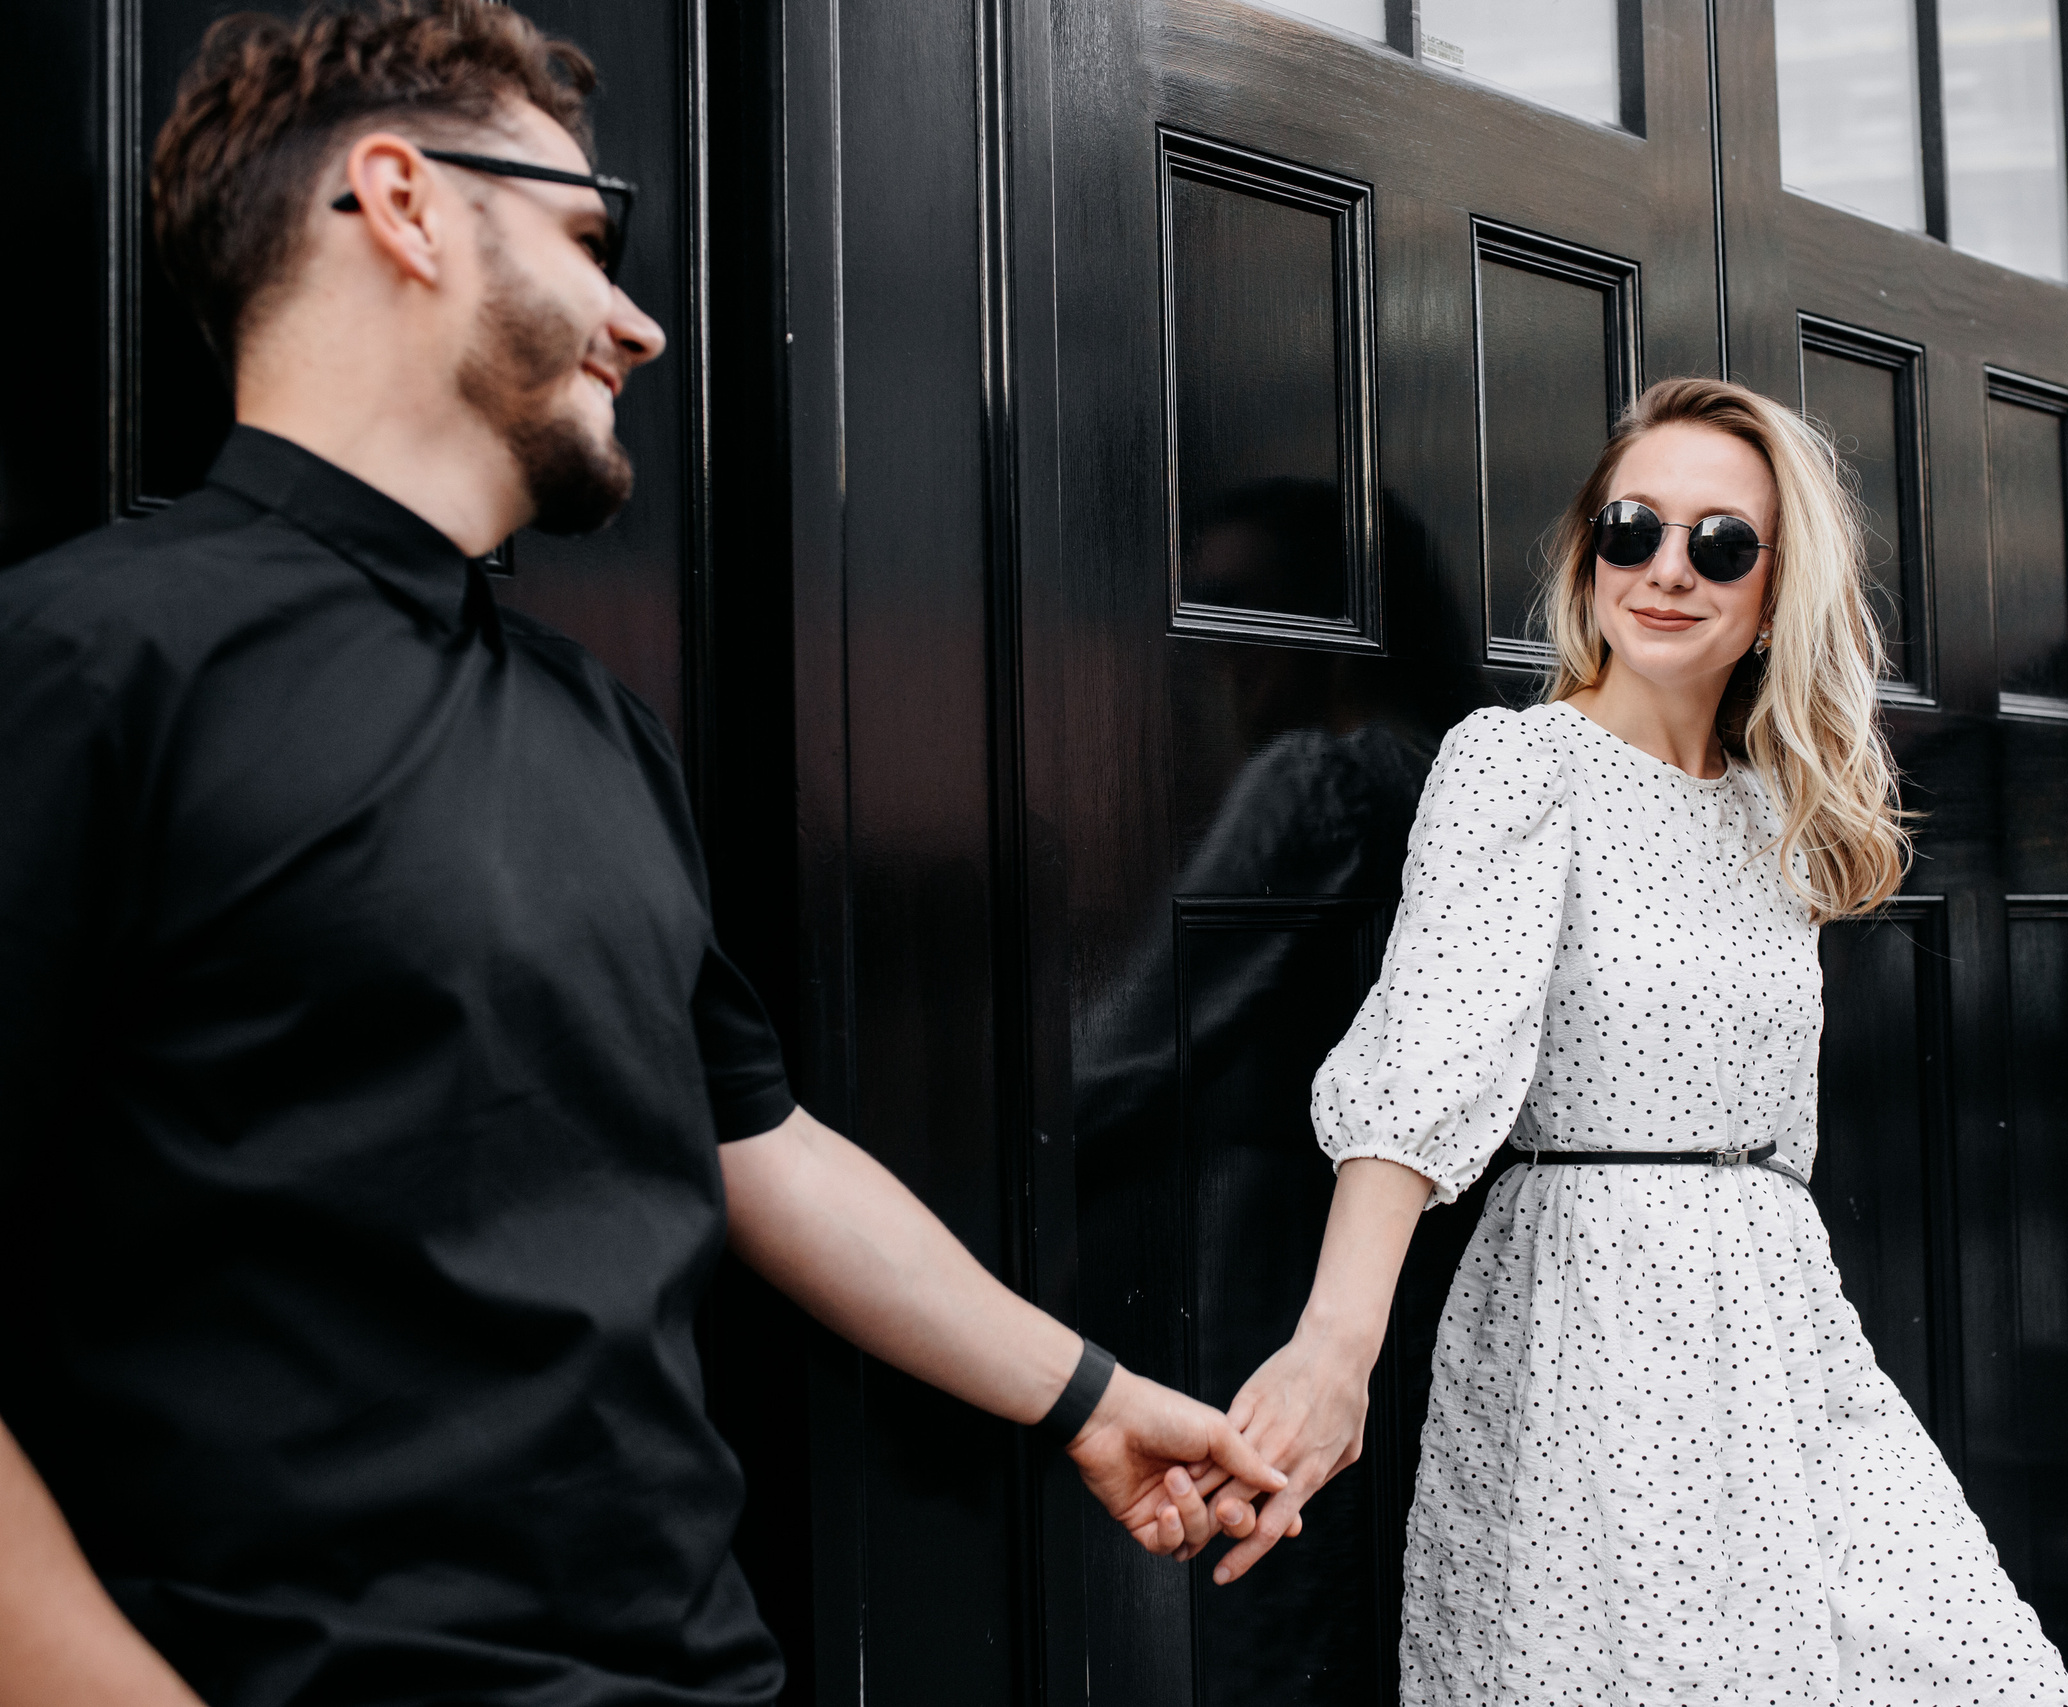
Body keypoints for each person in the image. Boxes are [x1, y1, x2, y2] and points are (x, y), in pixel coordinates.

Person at [0, 5, 1281, 1703]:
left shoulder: (592, 722)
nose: (640, 322)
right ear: (403, 201)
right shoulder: (79, 668)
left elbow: (760, 1146)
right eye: (589, 239)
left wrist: (1090, 1398)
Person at [1203, 377, 2068, 1702]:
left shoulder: (1777, 809)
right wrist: (1336, 1351)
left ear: (1779, 588)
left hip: (1781, 1328)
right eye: (1632, 529)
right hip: (1593, 1320)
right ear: (1589, 555)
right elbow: (1429, 1055)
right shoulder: (1519, 766)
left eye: (1720, 543)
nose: (1668, 570)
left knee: (1973, 1669)